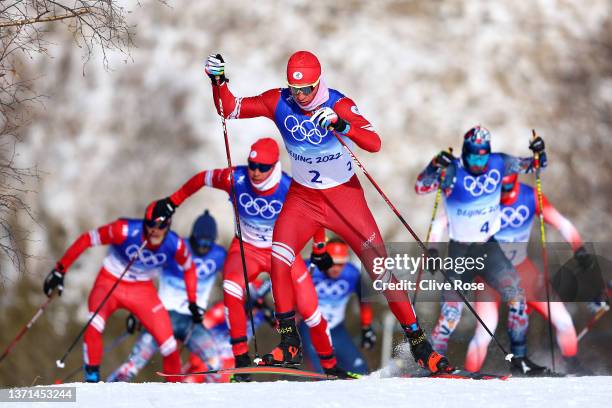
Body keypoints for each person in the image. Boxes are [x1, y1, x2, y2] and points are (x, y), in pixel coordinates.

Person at [199, 51, 448, 373]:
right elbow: (229, 109)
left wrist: (341, 124)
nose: (300, 96)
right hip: (303, 200)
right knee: (279, 258)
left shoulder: (338, 103)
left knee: (380, 271)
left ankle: (419, 344)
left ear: (318, 82)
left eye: (307, 89)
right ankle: (289, 342)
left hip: (344, 200)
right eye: (295, 89)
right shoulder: (279, 101)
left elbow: (373, 143)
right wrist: (217, 81)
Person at [149, 137, 357, 379]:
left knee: (311, 312)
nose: (256, 172)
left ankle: (331, 367)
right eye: (252, 165)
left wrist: (319, 248)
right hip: (246, 249)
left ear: (274, 166)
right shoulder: (235, 178)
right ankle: (241, 359)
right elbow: (202, 178)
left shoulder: (290, 187)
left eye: (263, 168)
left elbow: (316, 216)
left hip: (281, 252)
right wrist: (172, 202)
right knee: (231, 288)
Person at [415, 125, 549, 375]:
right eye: (474, 156)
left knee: (517, 298)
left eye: (483, 156)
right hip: (460, 251)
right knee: (451, 313)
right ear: (465, 152)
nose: (479, 162)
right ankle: (432, 362)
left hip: (489, 247)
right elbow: (421, 187)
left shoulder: (499, 162)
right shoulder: (452, 169)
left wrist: (540, 151)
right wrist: (434, 164)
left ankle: (519, 358)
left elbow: (535, 165)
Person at [462, 173, 603, 374]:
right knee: (485, 330)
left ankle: (573, 366)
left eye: (508, 190)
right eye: (499, 190)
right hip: (489, 276)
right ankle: (469, 374)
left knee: (563, 319)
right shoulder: (482, 199)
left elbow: (562, 223)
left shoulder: (529, 196)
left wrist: (578, 248)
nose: (503, 196)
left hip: (523, 272)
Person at [42, 203, 199, 382]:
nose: (154, 230)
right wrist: (60, 270)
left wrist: (192, 302)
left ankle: (175, 390)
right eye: (150, 224)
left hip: (142, 290)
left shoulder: (175, 244)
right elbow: (88, 239)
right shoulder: (124, 230)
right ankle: (92, 380)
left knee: (169, 345)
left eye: (161, 226)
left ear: (168, 225)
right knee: (94, 324)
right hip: (110, 282)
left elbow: (189, 268)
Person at [107, 210, 227, 382]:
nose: (202, 246)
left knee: (215, 363)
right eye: (199, 241)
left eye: (208, 243)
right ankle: (110, 390)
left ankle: (215, 401)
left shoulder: (220, 255)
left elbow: (235, 278)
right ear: (192, 236)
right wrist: (138, 312)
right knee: (136, 360)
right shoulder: (176, 247)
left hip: (191, 321)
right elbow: (145, 275)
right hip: (163, 316)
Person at [302, 237, 374, 375]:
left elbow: (364, 301)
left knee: (361, 371)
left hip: (336, 329)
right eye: (332, 263)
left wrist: (366, 327)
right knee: (321, 374)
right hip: (311, 329)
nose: (336, 268)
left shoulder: (352, 274)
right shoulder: (310, 268)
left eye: (340, 264)